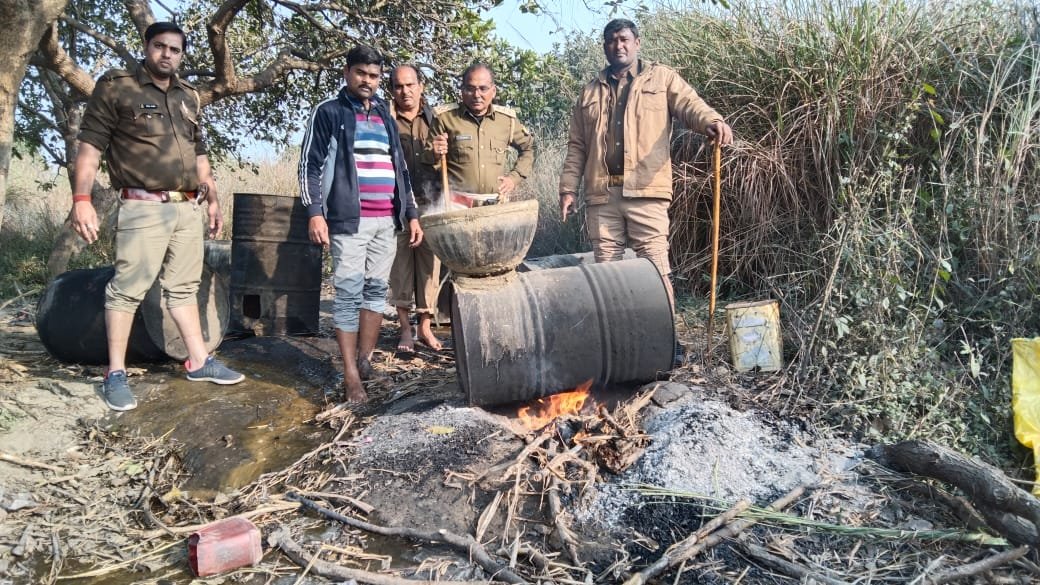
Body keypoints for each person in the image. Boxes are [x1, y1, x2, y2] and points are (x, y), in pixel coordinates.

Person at [70, 21, 244, 412]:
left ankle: (199, 361)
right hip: (143, 205)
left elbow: (199, 155)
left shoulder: (188, 96)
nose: (167, 54)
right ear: (147, 47)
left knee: (183, 287)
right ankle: (115, 373)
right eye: (160, 47)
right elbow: (90, 146)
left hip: (187, 206)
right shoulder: (117, 86)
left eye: (175, 49)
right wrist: (81, 198)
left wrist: (213, 200)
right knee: (126, 289)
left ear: (182, 55)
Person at [558, 18, 734, 301]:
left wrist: (712, 121)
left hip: (646, 191)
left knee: (657, 269)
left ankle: (667, 343)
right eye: (612, 40)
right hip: (602, 196)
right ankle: (619, 340)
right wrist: (568, 188)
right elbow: (577, 145)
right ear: (604, 47)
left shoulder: (662, 78)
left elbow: (690, 105)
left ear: (637, 43)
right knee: (607, 274)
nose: (619, 46)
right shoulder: (589, 92)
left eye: (625, 39)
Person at [299, 46, 422, 403]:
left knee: (374, 292)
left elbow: (399, 167)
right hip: (348, 221)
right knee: (348, 295)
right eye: (361, 74)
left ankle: (365, 362)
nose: (367, 81)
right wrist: (315, 213)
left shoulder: (385, 112)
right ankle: (351, 375)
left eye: (373, 76)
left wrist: (410, 212)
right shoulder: (330, 112)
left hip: (386, 218)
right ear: (347, 73)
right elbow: (309, 164)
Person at [387, 64, 445, 353]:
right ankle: (405, 330)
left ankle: (424, 325)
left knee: (429, 267)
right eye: (398, 86)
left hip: (430, 203)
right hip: (394, 205)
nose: (405, 91)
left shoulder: (437, 120)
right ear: (391, 90)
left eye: (410, 85)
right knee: (399, 267)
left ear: (421, 86)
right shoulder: (384, 120)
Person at [428, 63, 535, 206]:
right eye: (470, 89)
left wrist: (514, 178)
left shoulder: (507, 121)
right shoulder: (445, 119)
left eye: (483, 89)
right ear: (462, 90)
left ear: (493, 91)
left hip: (495, 204)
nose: (477, 95)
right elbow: (426, 160)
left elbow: (528, 148)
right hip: (457, 205)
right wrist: (434, 154)